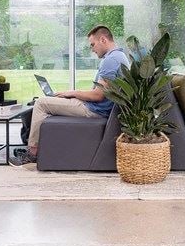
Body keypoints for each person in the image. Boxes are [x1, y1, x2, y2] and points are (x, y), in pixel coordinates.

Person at [10, 25, 130, 166]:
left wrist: (72, 93)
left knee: (41, 103)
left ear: (103, 39)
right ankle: (37, 145)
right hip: (96, 107)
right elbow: (101, 92)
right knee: (52, 99)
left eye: (93, 44)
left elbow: (98, 96)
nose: (92, 49)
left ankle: (32, 154)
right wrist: (74, 94)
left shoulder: (111, 60)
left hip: (94, 110)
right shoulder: (119, 56)